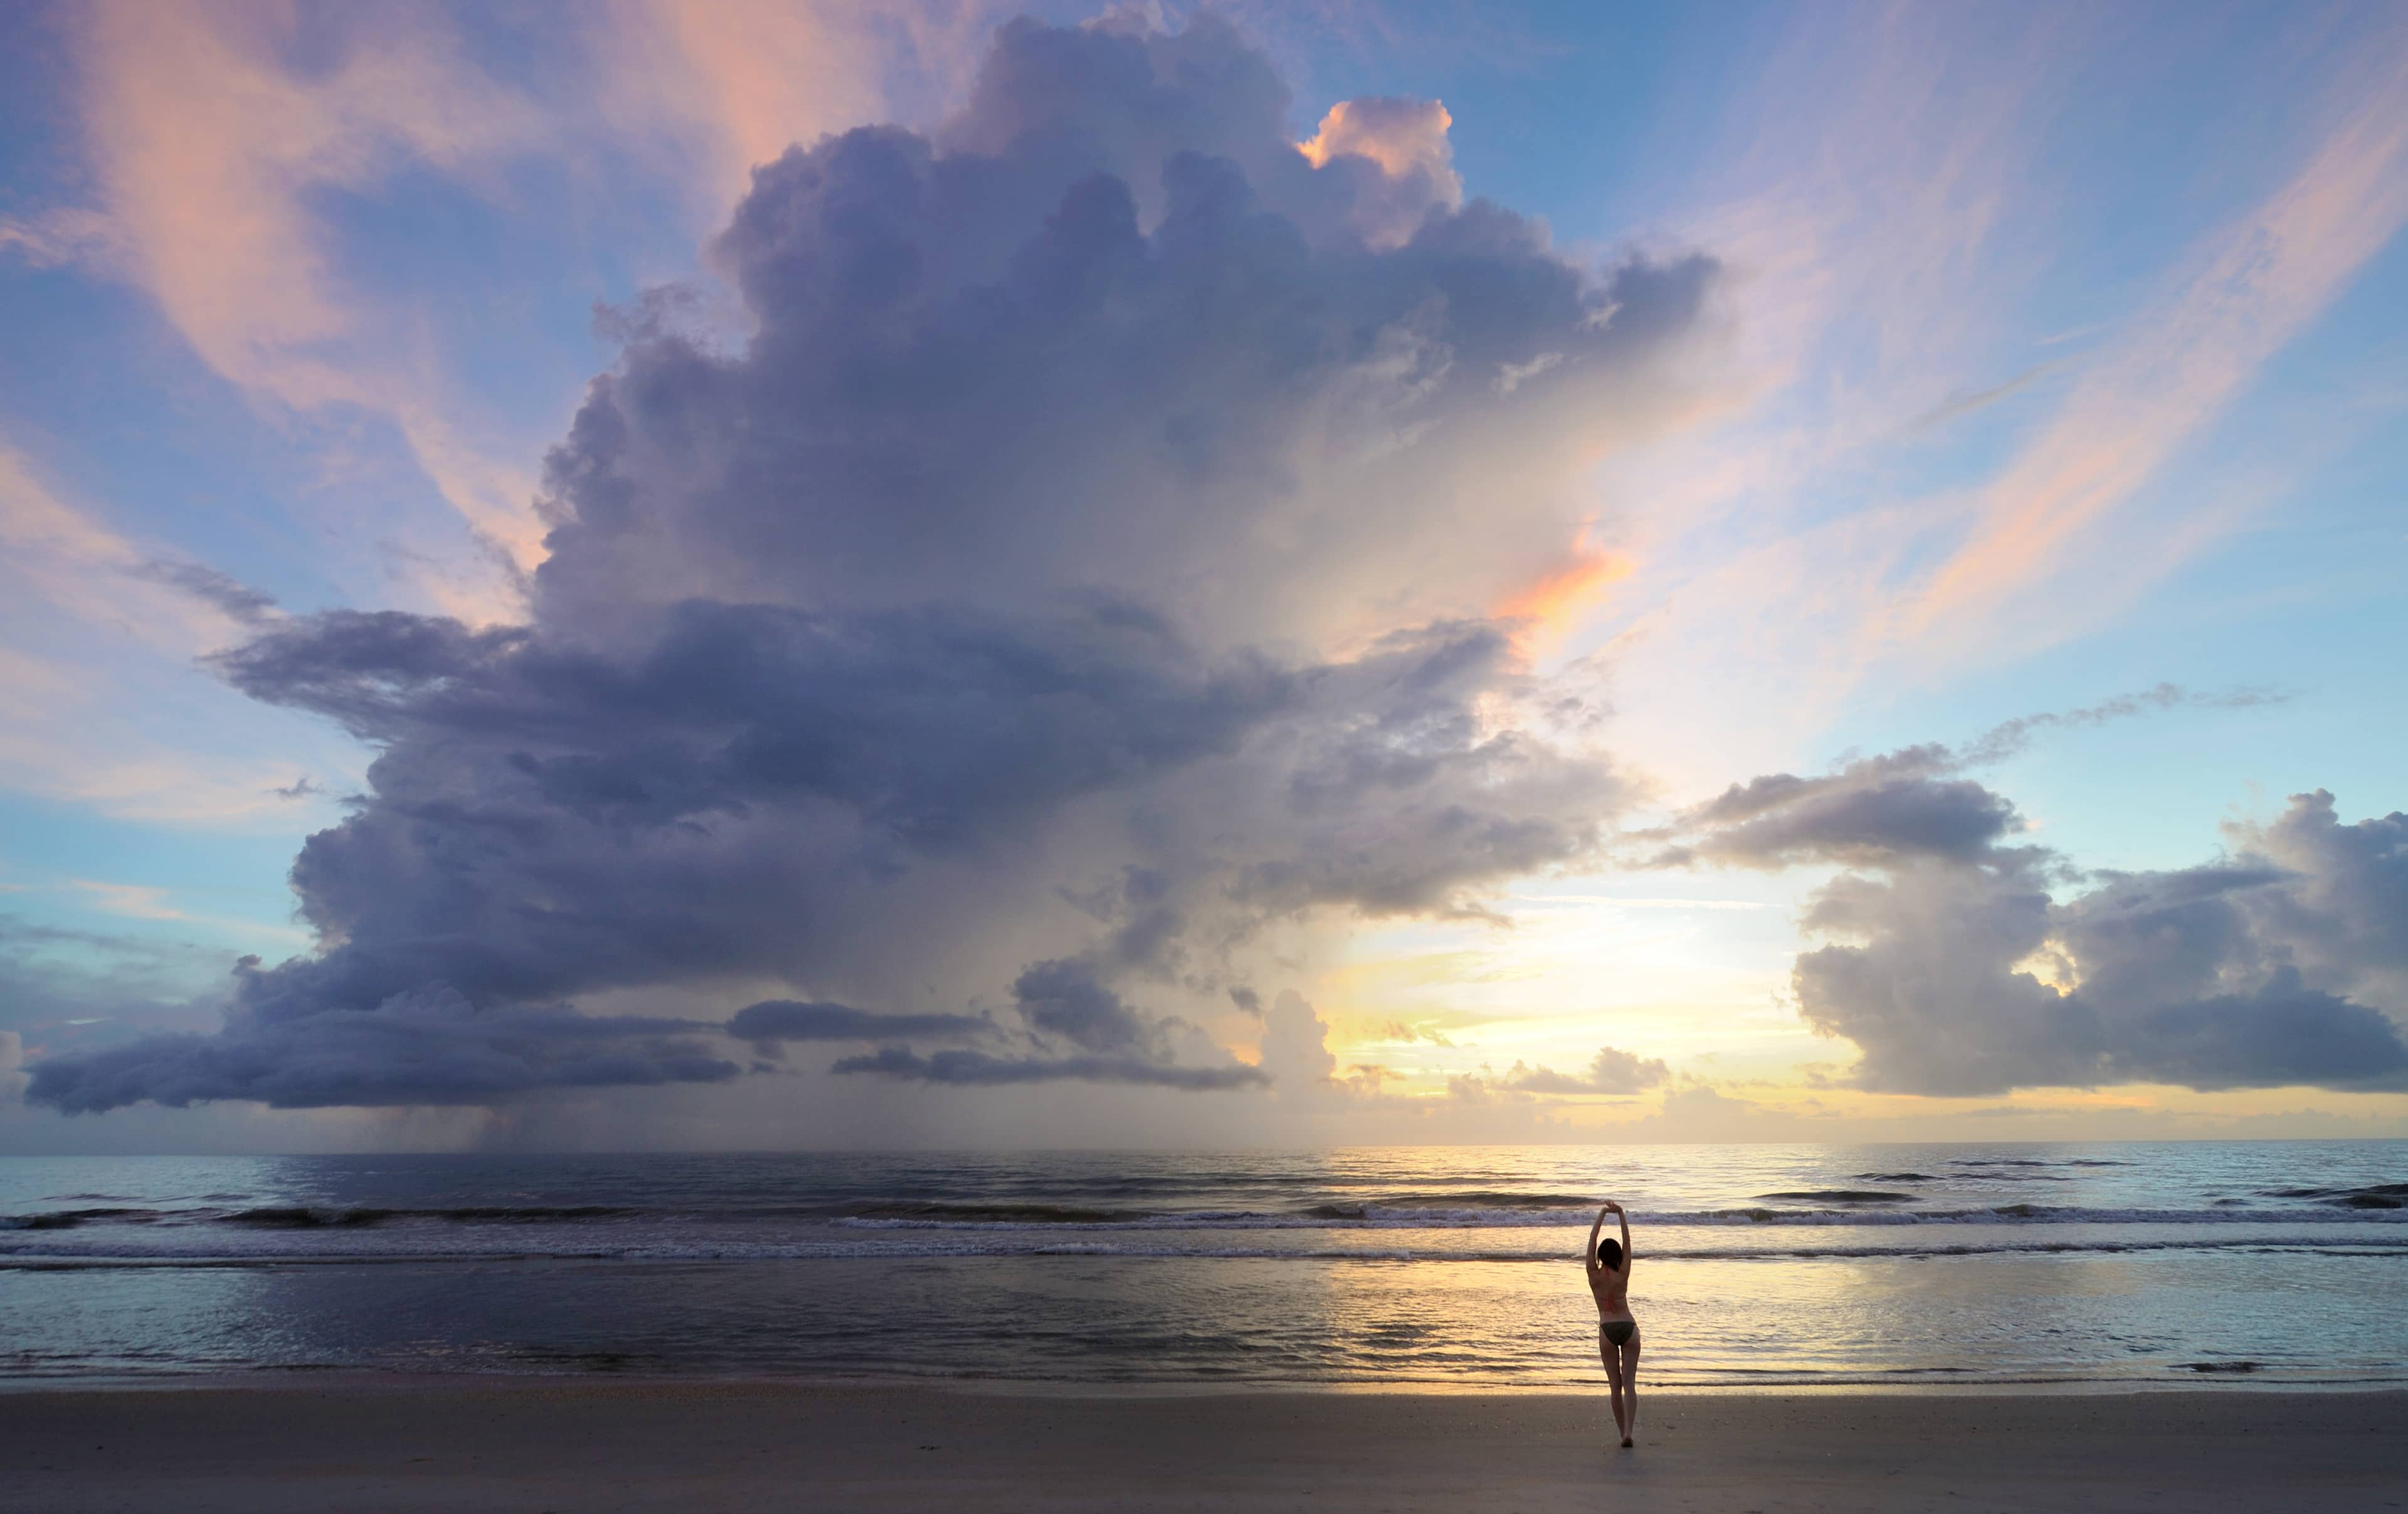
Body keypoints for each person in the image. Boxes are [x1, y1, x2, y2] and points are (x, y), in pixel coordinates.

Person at [1586, 1200, 1640, 1448]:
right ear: (1618, 1256)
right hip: (1628, 1328)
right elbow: (1628, 1244)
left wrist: (1602, 1213)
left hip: (1607, 1330)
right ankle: (1629, 1431)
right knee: (1629, 1383)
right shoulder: (1623, 1274)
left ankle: (1622, 1434)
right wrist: (1621, 1215)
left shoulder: (1594, 1275)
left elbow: (1592, 1239)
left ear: (1599, 1257)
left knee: (1614, 1386)